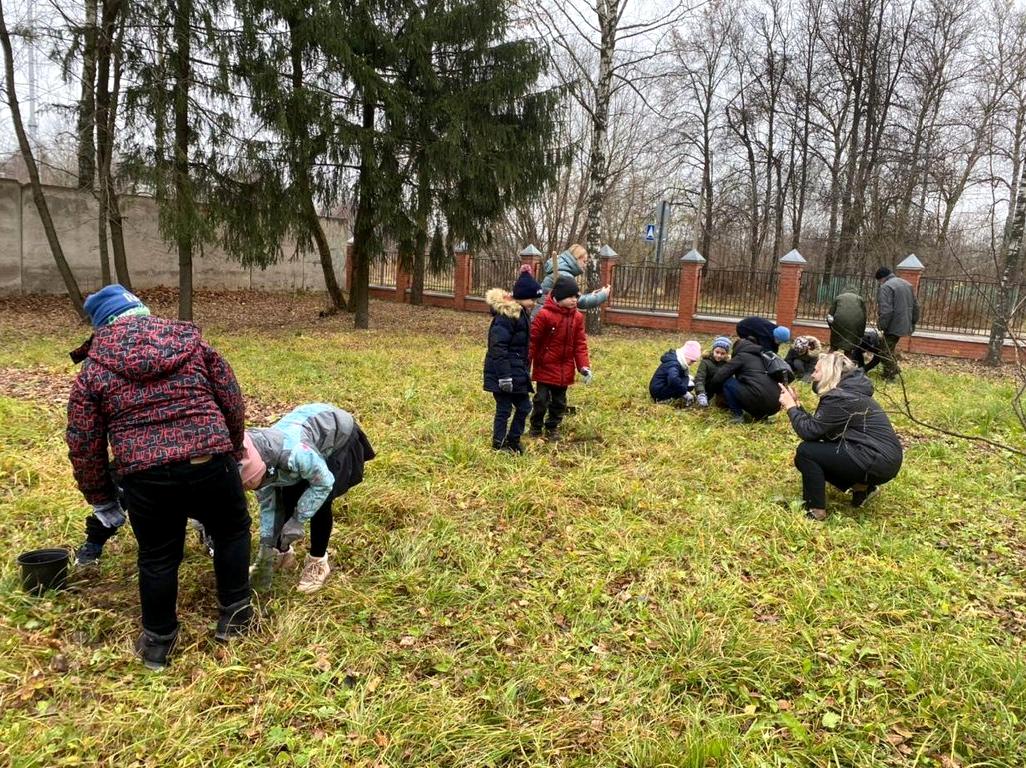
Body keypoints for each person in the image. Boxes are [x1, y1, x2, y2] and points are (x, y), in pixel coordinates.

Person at [66, 285, 252, 670]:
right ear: (142, 311)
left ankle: (157, 642)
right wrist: (232, 449)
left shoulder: (93, 370)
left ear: (102, 326)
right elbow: (231, 400)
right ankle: (235, 617)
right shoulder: (193, 346)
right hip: (208, 457)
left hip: (146, 475)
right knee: (231, 530)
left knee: (157, 555)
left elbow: (84, 441)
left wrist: (101, 496)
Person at [243, 403, 376, 594]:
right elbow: (270, 505)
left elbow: (323, 484)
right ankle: (282, 554)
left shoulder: (298, 454)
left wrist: (297, 521)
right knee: (285, 496)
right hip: (303, 441)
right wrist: (267, 546)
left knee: (320, 503)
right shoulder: (257, 461)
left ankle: (318, 561)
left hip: (337, 437)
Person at [779, 352, 903, 521]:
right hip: (883, 459)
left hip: (875, 459)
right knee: (811, 452)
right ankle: (862, 488)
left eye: (816, 371)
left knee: (806, 452)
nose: (813, 375)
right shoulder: (848, 393)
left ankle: (815, 511)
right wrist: (798, 406)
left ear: (829, 373)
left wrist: (790, 407)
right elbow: (818, 429)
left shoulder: (839, 397)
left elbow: (808, 433)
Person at [483, 266, 542, 454]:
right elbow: (498, 348)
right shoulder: (507, 316)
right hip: (503, 374)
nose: (534, 303)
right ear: (520, 297)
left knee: (525, 406)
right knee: (504, 408)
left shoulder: (523, 314)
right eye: (531, 299)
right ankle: (498, 444)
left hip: (517, 373)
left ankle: (513, 440)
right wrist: (504, 377)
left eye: (535, 299)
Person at [529, 275, 592, 442]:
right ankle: (535, 427)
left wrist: (583, 366)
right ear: (559, 296)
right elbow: (533, 341)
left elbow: (580, 344)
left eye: (576, 297)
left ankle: (552, 427)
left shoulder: (577, 317)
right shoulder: (544, 315)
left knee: (559, 402)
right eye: (570, 296)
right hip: (545, 365)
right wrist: (525, 363)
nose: (574, 300)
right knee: (541, 400)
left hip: (565, 368)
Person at [708, 337, 781, 423]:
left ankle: (737, 415)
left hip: (758, 398)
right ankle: (762, 417)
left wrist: (709, 393)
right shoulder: (763, 357)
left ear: (737, 348)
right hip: (776, 404)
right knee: (757, 387)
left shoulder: (741, 356)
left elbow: (720, 376)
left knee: (727, 382)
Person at [537, 244, 611, 315]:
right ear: (576, 259)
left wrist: (591, 295)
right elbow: (579, 301)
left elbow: (573, 297)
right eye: (584, 261)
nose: (585, 266)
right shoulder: (564, 275)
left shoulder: (561, 271)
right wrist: (603, 295)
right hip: (548, 318)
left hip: (544, 314)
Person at [874, 266, 920, 380]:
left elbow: (886, 310)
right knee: (889, 349)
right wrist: (913, 322)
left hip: (893, 325)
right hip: (904, 324)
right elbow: (916, 306)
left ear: (881, 278)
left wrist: (881, 325)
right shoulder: (907, 284)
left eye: (879, 281)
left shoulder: (886, 287)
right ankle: (888, 372)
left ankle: (893, 372)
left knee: (883, 351)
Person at [649, 340, 701, 404]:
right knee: (689, 385)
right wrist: (684, 392)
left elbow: (677, 375)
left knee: (688, 382)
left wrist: (687, 378)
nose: (692, 363)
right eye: (692, 361)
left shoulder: (677, 360)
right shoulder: (674, 365)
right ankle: (663, 400)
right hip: (658, 391)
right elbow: (673, 379)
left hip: (659, 386)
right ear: (686, 356)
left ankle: (674, 395)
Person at [827, 289, 867, 356]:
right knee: (848, 350)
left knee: (833, 347)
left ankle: (827, 362)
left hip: (838, 324)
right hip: (854, 326)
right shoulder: (860, 299)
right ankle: (848, 364)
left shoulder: (838, 298)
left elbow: (830, 316)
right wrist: (860, 334)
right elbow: (864, 318)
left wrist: (832, 327)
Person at [694, 336, 731, 407]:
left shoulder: (727, 364)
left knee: (723, 405)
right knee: (703, 405)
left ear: (726, 354)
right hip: (707, 388)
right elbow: (700, 378)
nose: (719, 355)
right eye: (717, 352)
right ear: (713, 350)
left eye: (722, 353)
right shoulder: (705, 362)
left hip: (720, 389)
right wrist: (701, 393)